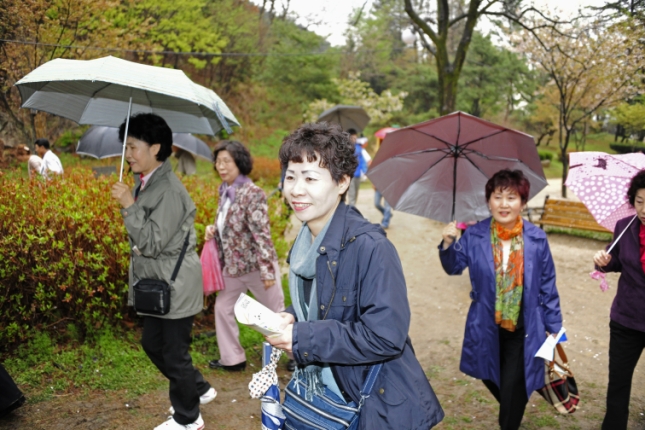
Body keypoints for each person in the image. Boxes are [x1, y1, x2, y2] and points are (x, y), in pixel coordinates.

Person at [266, 122, 444, 429]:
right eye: (291, 177)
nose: (296, 189)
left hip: (373, 402)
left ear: (342, 182)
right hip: (329, 391)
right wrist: (293, 316)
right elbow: (328, 300)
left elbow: (385, 336)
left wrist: (303, 336)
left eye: (310, 178)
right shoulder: (307, 240)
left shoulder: (371, 247)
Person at [110, 113, 214, 430]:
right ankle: (198, 387)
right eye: (126, 148)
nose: (128, 155)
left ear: (155, 148)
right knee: (153, 345)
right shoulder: (149, 183)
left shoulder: (168, 189)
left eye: (133, 147)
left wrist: (128, 204)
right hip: (159, 283)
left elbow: (152, 242)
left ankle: (188, 418)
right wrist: (133, 200)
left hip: (176, 284)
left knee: (173, 352)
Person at [438, 169, 562, 430]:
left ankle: (513, 408)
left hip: (524, 328)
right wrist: (449, 243)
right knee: (493, 378)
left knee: (512, 387)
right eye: (498, 197)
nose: (504, 204)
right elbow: (454, 267)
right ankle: (518, 394)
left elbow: (548, 286)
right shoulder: (475, 235)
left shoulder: (537, 239)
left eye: (512, 197)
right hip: (486, 324)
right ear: (488, 201)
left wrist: (555, 328)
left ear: (523, 203)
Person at [205, 140, 284, 372]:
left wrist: (268, 271)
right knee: (222, 308)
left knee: (276, 315)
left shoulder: (253, 193)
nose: (221, 166)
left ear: (239, 162)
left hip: (257, 269)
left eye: (226, 161)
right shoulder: (224, 191)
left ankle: (298, 356)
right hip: (233, 269)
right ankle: (233, 359)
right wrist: (213, 230)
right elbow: (230, 226)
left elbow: (263, 235)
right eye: (218, 162)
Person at [593, 169, 645, 430]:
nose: (644, 209)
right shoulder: (624, 228)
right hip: (627, 318)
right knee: (619, 383)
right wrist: (603, 262)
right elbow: (616, 263)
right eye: (640, 201)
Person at [346, 128, 366, 207]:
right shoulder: (346, 148)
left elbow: (362, 160)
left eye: (355, 137)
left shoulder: (358, 147)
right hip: (350, 175)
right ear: (349, 137)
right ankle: (351, 213)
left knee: (356, 194)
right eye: (353, 137)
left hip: (357, 174)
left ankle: (352, 210)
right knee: (352, 195)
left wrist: (365, 171)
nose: (354, 139)